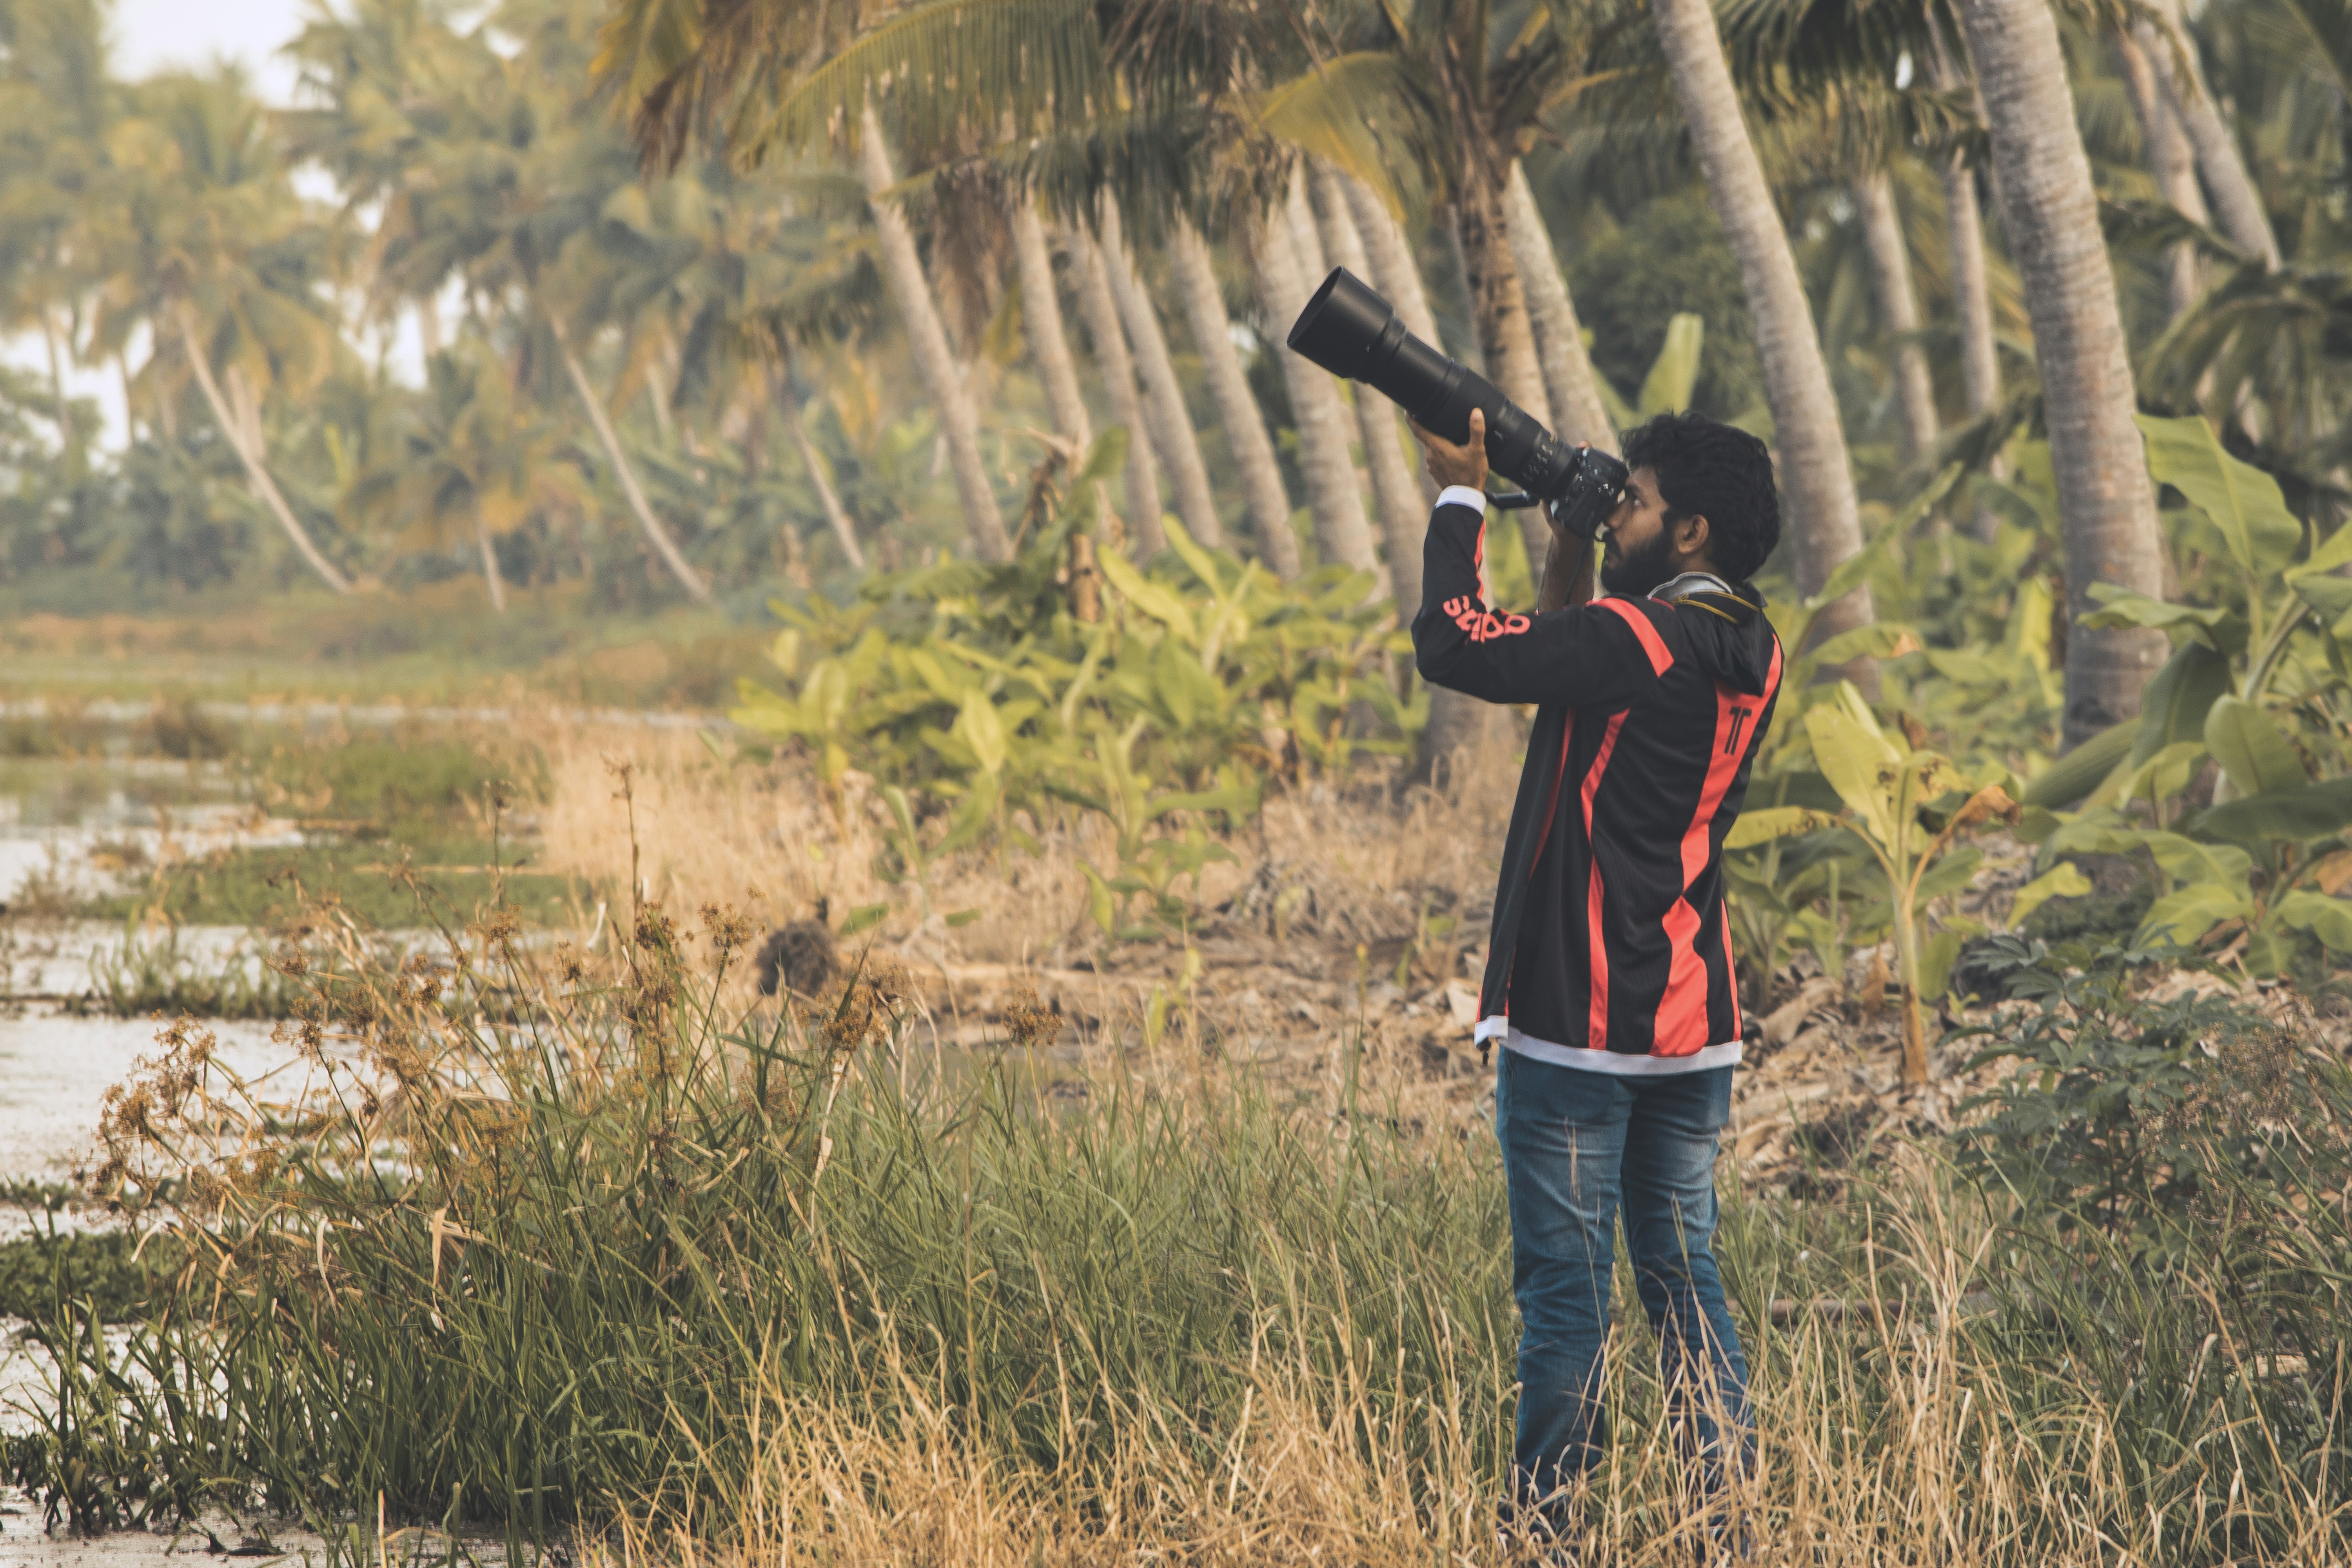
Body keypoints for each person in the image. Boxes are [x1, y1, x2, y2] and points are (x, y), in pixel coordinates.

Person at [1408, 407, 1784, 1550]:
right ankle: (1723, 1527)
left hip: (1577, 1026)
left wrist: (1463, 497)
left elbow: (1458, 645)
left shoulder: (1637, 641)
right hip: (1692, 1025)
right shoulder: (1749, 645)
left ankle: (1548, 1534)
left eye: (1642, 501)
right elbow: (1578, 655)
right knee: (1685, 1285)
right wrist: (1572, 539)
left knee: (1567, 1306)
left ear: (1691, 531)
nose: (1625, 506)